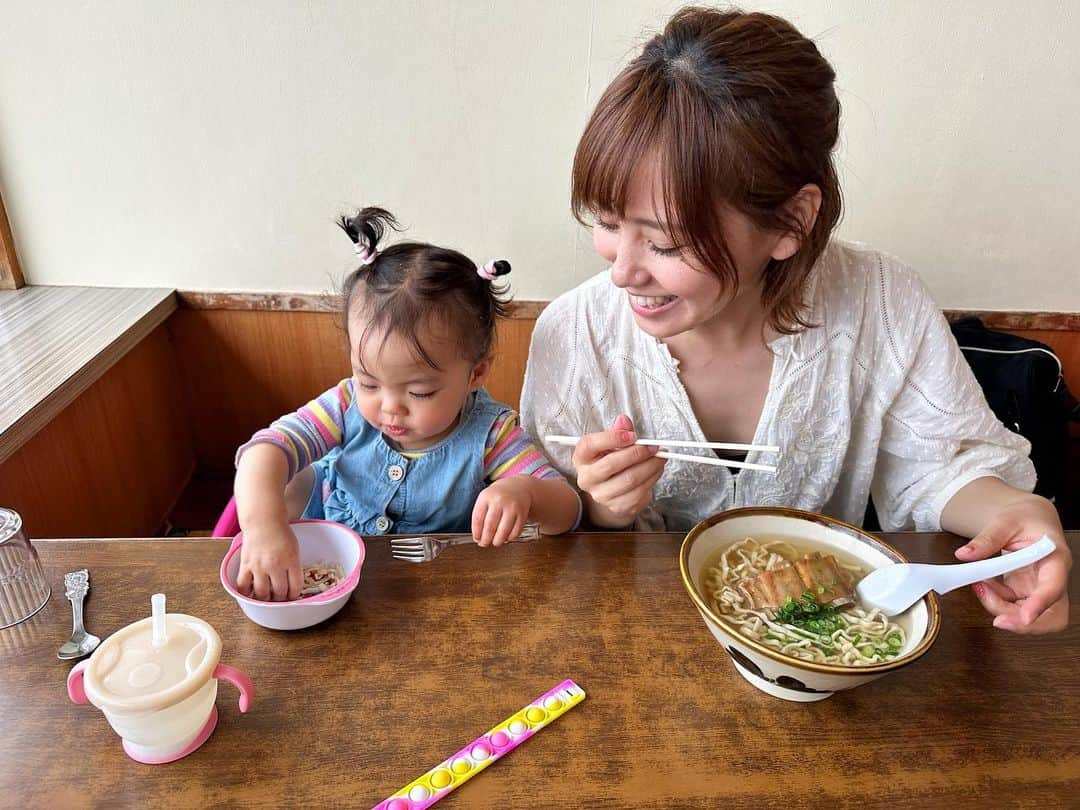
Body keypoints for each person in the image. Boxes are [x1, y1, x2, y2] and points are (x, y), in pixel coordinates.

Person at [520, 7, 1070, 633]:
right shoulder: (575, 334)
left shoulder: (879, 300)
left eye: (665, 243)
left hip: (822, 636)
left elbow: (942, 466)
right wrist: (604, 505)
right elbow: (550, 528)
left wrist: (1019, 511)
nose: (622, 271)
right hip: (640, 643)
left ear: (790, 221)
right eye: (608, 224)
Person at [235, 207, 580, 601]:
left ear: (476, 374)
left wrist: (526, 493)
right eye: (369, 382)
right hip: (331, 570)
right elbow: (265, 450)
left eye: (419, 393)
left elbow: (566, 510)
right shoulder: (346, 404)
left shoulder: (490, 433)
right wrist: (263, 528)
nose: (390, 408)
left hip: (438, 590)